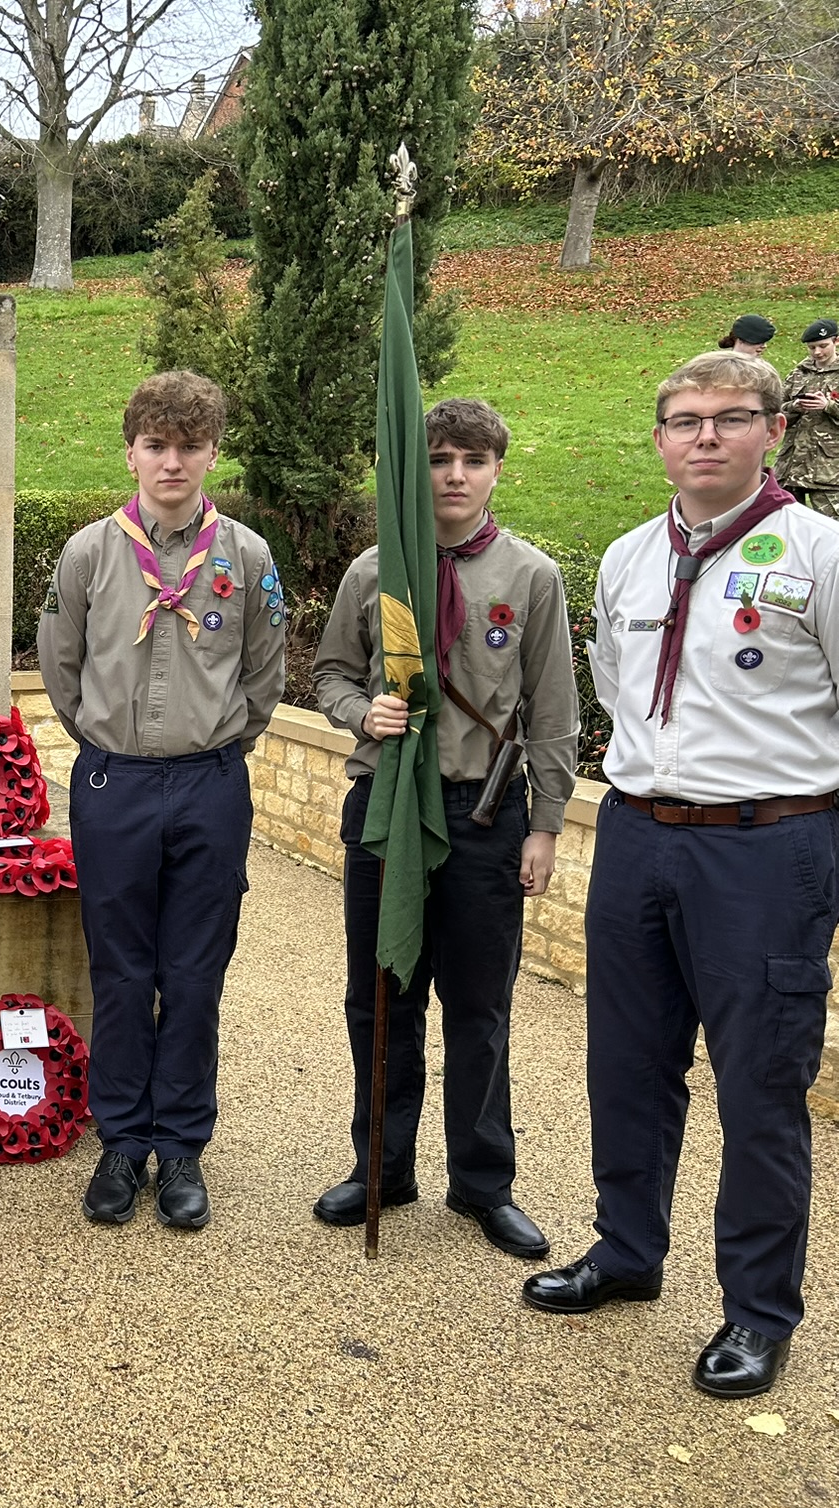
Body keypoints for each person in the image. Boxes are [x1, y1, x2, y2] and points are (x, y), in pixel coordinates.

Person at [523, 350, 839, 1399]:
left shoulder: (818, 555)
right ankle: (625, 1252)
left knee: (756, 1086)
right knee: (625, 1064)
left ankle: (755, 1312)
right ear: (657, 437)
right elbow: (617, 687)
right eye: (684, 419)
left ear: (771, 432)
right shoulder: (622, 558)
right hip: (636, 834)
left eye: (728, 418)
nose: (704, 436)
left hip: (764, 848)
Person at [311, 398, 579, 1257]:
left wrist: (545, 825)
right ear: (414, 472)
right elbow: (330, 673)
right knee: (379, 999)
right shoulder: (375, 571)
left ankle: (482, 1182)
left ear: (497, 469)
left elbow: (552, 710)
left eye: (471, 460)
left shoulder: (530, 577)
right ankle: (381, 1168)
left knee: (478, 1007)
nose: (454, 475)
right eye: (437, 460)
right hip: (387, 805)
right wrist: (364, 715)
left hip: (484, 812)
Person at [38, 370, 285, 1230]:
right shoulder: (89, 553)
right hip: (116, 785)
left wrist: (212, 747)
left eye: (189, 446)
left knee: (193, 974)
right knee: (120, 970)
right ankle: (120, 1142)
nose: (172, 462)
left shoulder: (246, 556)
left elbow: (263, 677)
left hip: (211, 783)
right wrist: (113, 745)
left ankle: (180, 1145)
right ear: (132, 451)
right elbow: (61, 669)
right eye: (156, 445)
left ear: (213, 452)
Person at [775, 318, 839, 517]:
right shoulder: (798, 373)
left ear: (836, 341)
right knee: (787, 526)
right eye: (812, 347)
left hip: (829, 469)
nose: (817, 352)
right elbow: (775, 410)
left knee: (832, 529)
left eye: (823, 346)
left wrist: (828, 406)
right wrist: (794, 406)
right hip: (792, 466)